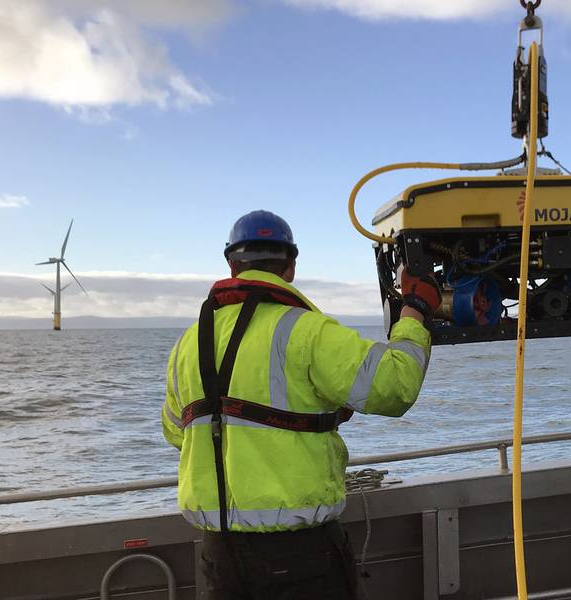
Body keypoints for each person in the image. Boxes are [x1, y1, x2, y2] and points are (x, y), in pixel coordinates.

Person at [161, 209, 441, 599]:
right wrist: (416, 310)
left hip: (219, 557)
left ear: (232, 264)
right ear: (290, 266)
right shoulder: (306, 331)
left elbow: (179, 432)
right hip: (301, 558)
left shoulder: (186, 345)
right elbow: (394, 387)